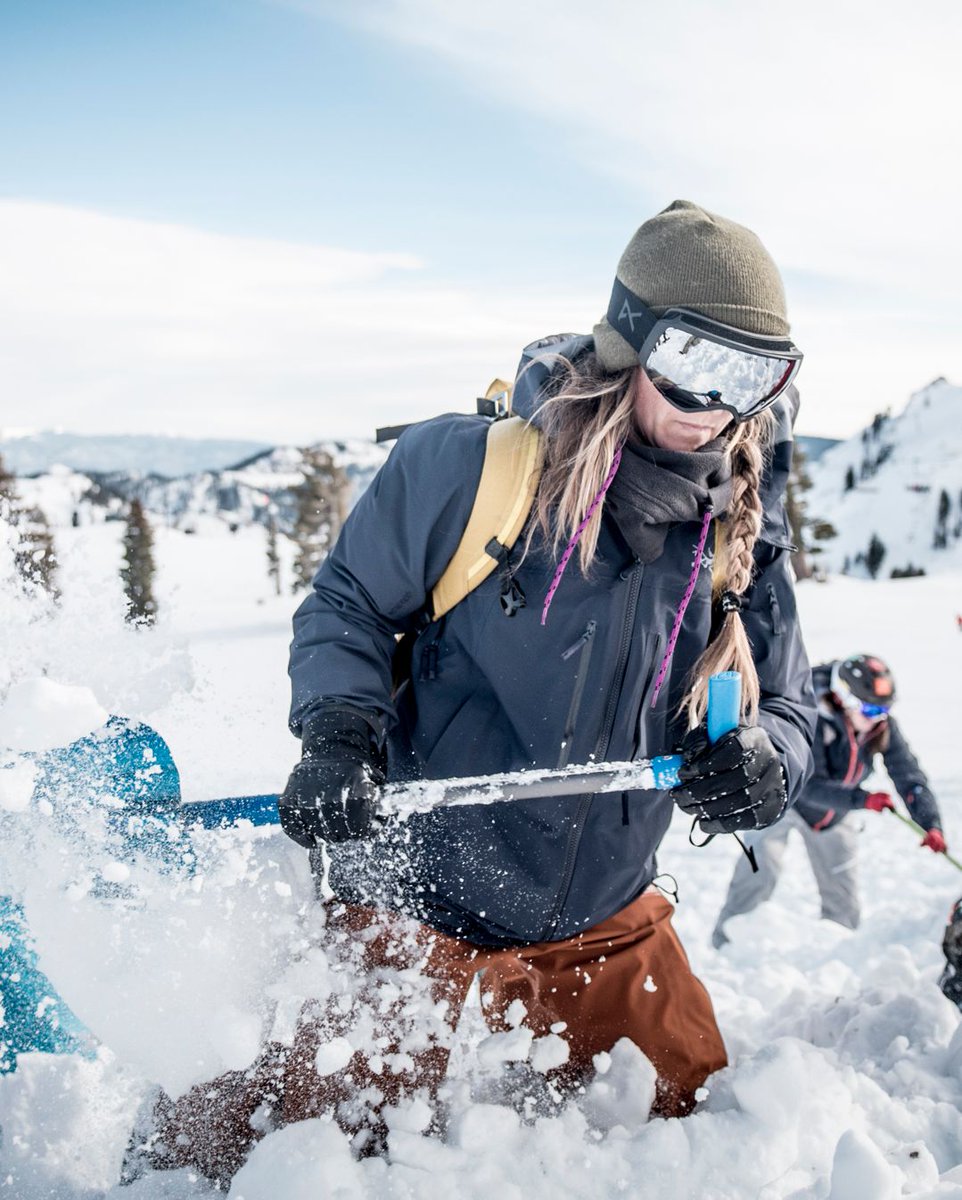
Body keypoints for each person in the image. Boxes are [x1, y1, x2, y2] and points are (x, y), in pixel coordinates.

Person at [125, 200, 817, 1186]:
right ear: (629, 345)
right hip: (418, 912)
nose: (717, 404)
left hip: (602, 924)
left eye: (752, 375)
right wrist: (337, 731)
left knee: (707, 1124)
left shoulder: (742, 535)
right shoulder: (471, 470)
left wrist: (764, 763)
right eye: (694, 362)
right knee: (303, 1146)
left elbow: (790, 708)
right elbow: (347, 603)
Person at [712, 654, 946, 947]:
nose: (878, 716)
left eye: (884, 709)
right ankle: (727, 943)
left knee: (841, 890)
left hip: (834, 811)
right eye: (870, 708)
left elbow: (909, 775)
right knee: (760, 870)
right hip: (782, 800)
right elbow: (806, 785)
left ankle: (840, 952)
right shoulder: (806, 711)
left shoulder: (879, 725)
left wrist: (930, 823)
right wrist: (861, 799)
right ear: (844, 697)